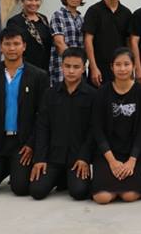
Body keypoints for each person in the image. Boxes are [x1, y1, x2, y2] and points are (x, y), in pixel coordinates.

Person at [0, 27, 49, 196]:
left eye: (16, 44)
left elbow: (43, 115)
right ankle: (5, 167)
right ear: (1, 47)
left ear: (24, 46)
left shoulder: (38, 76)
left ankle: (15, 168)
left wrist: (32, 144)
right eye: (7, 44)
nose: (12, 48)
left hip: (22, 143)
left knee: (21, 188)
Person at [29, 47, 95, 201]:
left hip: (77, 158)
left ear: (84, 68)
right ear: (62, 66)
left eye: (76, 67)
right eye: (67, 66)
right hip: (53, 156)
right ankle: (61, 178)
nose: (71, 71)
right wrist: (40, 158)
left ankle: (67, 179)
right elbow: (42, 127)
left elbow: (93, 131)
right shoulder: (50, 94)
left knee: (79, 192)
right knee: (37, 191)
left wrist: (84, 158)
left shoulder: (92, 95)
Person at [91, 47, 141, 204]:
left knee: (129, 196)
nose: (122, 68)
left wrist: (132, 160)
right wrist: (112, 161)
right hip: (107, 154)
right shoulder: (102, 92)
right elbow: (97, 129)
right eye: (118, 64)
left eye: (126, 64)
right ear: (111, 67)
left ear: (133, 66)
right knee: (102, 198)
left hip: (132, 153)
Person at [83, 0, 132, 87]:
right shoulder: (94, 11)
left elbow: (129, 42)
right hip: (99, 67)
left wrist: (130, 67)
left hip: (120, 68)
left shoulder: (126, 13)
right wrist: (93, 67)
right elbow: (88, 40)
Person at [5, 0, 53, 73]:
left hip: (44, 69)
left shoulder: (43, 19)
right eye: (30, 0)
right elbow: (13, 47)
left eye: (37, 0)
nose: (34, 3)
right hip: (25, 69)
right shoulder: (15, 21)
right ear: (22, 1)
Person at [48, 0, 85, 87]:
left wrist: (79, 65)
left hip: (78, 67)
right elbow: (59, 43)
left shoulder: (81, 19)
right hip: (62, 65)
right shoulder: (58, 15)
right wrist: (72, 63)